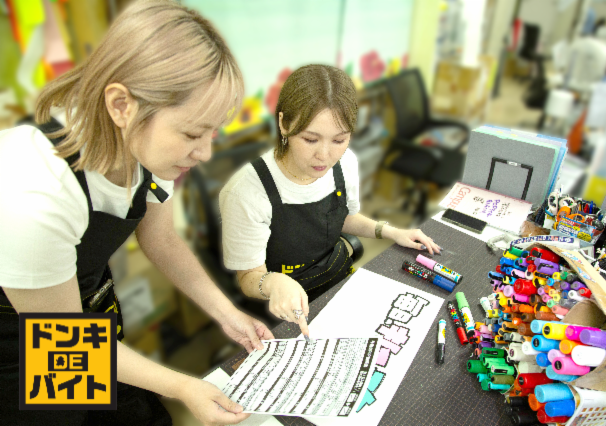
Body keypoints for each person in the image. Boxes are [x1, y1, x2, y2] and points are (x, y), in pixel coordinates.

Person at [0, 1, 274, 425]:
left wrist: (228, 313)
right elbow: (63, 343)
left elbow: (160, 238)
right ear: (121, 105)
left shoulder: (143, 146)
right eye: (191, 133)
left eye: (212, 131)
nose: (204, 153)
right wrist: (184, 387)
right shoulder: (35, 193)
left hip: (80, 318)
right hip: (23, 342)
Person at [219, 64, 441, 338]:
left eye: (339, 139)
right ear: (284, 124)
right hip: (282, 303)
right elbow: (248, 277)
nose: (324, 156)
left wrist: (390, 231)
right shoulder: (246, 192)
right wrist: (274, 283)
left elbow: (342, 217)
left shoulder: (345, 162)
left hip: (333, 277)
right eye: (310, 139)